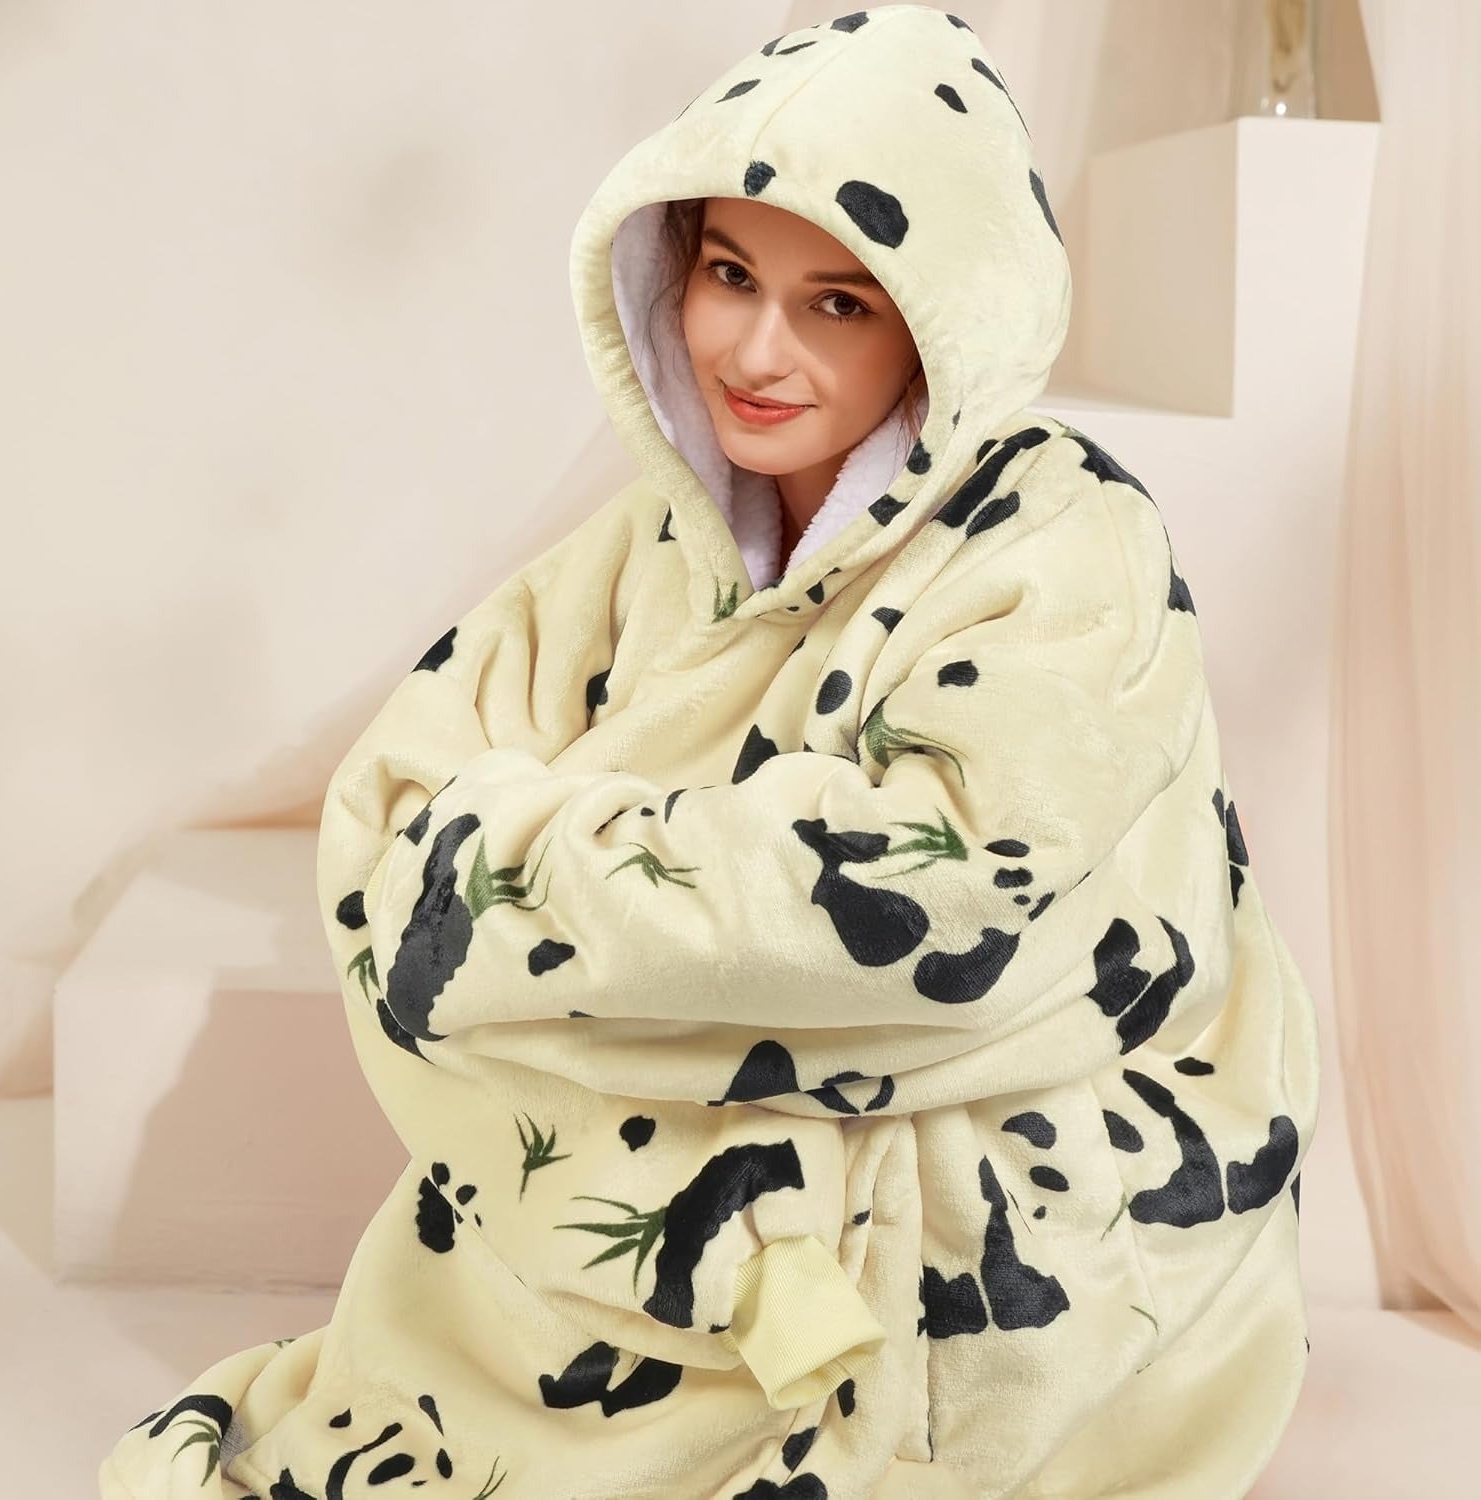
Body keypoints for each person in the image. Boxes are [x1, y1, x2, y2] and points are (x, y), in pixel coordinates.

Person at [99, 8, 1318, 1498]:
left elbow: (945, 900)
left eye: (836, 303)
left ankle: (761, 1283)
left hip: (1015, 1156)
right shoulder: (651, 542)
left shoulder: (1066, 536)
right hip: (695, 1149)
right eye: (729, 274)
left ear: (942, 320)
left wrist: (533, 895)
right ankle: (714, 1260)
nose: (753, 351)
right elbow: (387, 828)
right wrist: (644, 940)